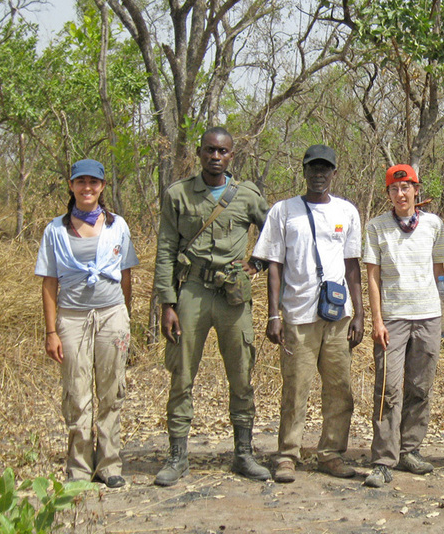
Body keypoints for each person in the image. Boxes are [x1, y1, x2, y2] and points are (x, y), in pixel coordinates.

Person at [153, 127, 271, 486]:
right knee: (182, 373)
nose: (215, 157)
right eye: (209, 150)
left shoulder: (247, 194)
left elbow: (273, 234)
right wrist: (167, 303)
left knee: (241, 373)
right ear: (199, 153)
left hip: (233, 294)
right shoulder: (179, 194)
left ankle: (244, 453)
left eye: (222, 151)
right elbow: (165, 249)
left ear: (231, 156)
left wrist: (258, 263)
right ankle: (177, 457)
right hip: (191, 291)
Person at [252, 144, 364, 483]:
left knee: (339, 388)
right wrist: (274, 316)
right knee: (295, 388)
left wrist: (359, 313)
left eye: (325, 169)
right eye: (313, 168)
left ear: (334, 173)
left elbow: (352, 265)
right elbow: (274, 265)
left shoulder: (347, 211)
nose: (319, 174)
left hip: (337, 314)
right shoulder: (283, 211)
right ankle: (288, 454)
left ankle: (330, 453)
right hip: (298, 315)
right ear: (303, 171)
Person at [35, 159, 138, 488]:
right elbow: (49, 283)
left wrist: (124, 316)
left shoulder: (117, 226)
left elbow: (126, 276)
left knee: (111, 392)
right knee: (77, 395)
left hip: (112, 315)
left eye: (94, 182)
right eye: (81, 182)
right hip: (72, 319)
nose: (87, 188)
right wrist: (51, 331)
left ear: (103, 187)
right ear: (71, 185)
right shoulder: (55, 230)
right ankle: (79, 467)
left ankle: (109, 464)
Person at [362, 165, 444, 488]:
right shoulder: (376, 227)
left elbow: (439, 270)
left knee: (420, 386)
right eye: (394, 190)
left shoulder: (433, 225)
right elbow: (372, 276)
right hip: (393, 319)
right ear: (388, 193)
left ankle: (410, 449)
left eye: (406, 188)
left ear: (416, 190)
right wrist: (377, 319)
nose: (401, 195)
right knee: (388, 389)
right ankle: (384, 459)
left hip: (427, 316)